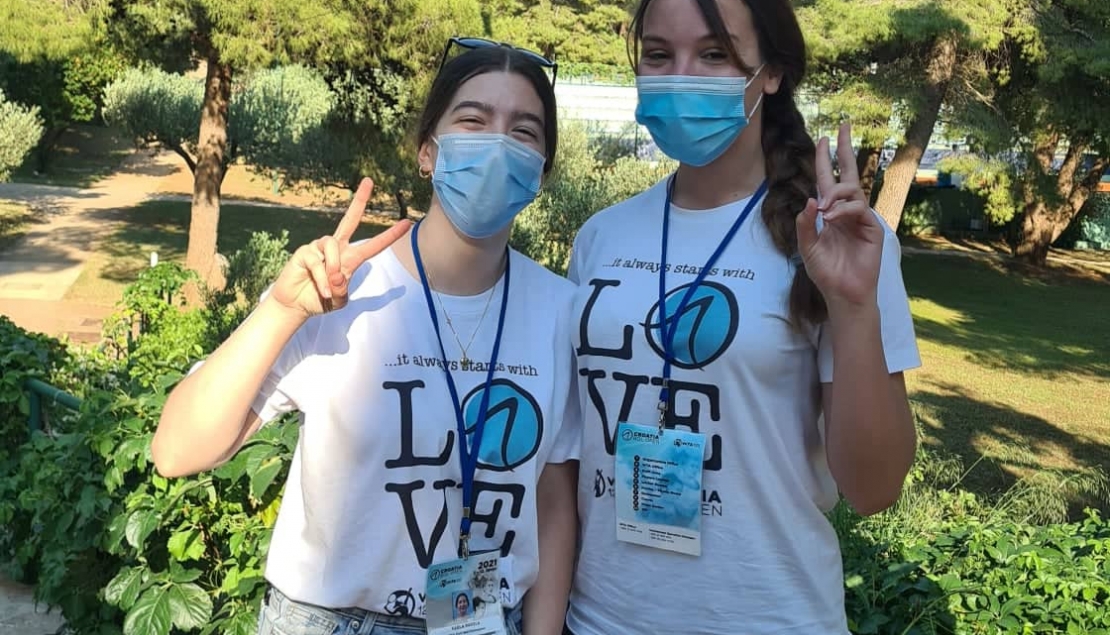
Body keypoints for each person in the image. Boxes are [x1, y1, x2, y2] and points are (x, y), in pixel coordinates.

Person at [151, 38, 579, 635]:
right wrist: (282, 311)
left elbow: (553, 504)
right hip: (331, 621)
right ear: (428, 151)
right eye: (473, 120)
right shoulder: (339, 289)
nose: (497, 144)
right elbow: (176, 451)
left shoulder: (560, 310)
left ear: (541, 171)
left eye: (523, 132)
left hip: (481, 619)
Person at [563, 0, 921, 633]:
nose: (680, 75)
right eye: (658, 54)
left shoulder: (833, 242)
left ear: (771, 72)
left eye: (714, 54)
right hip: (598, 619)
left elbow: (874, 489)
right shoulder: (600, 237)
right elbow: (567, 459)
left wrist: (853, 306)